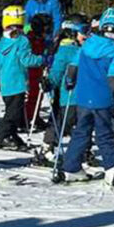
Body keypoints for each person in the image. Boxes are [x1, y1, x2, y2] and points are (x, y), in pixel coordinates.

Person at [59, 8, 114, 185]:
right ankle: (111, 169)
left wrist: (69, 81)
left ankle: (71, 167)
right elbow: (113, 79)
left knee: (81, 133)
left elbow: (73, 66)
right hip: (102, 100)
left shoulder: (87, 44)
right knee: (105, 134)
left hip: (82, 98)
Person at [0, 6, 45, 151]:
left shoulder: (2, 42)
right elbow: (26, 60)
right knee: (14, 113)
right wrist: (42, 59)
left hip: (6, 83)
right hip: (18, 82)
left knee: (13, 110)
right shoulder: (22, 40)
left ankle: (11, 136)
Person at [38, 17, 88, 163]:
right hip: (69, 96)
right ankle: (47, 148)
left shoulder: (82, 48)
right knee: (62, 122)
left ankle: (83, 150)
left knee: (83, 125)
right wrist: (49, 82)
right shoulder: (66, 50)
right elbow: (57, 71)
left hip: (83, 96)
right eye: (83, 31)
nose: (86, 35)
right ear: (72, 33)